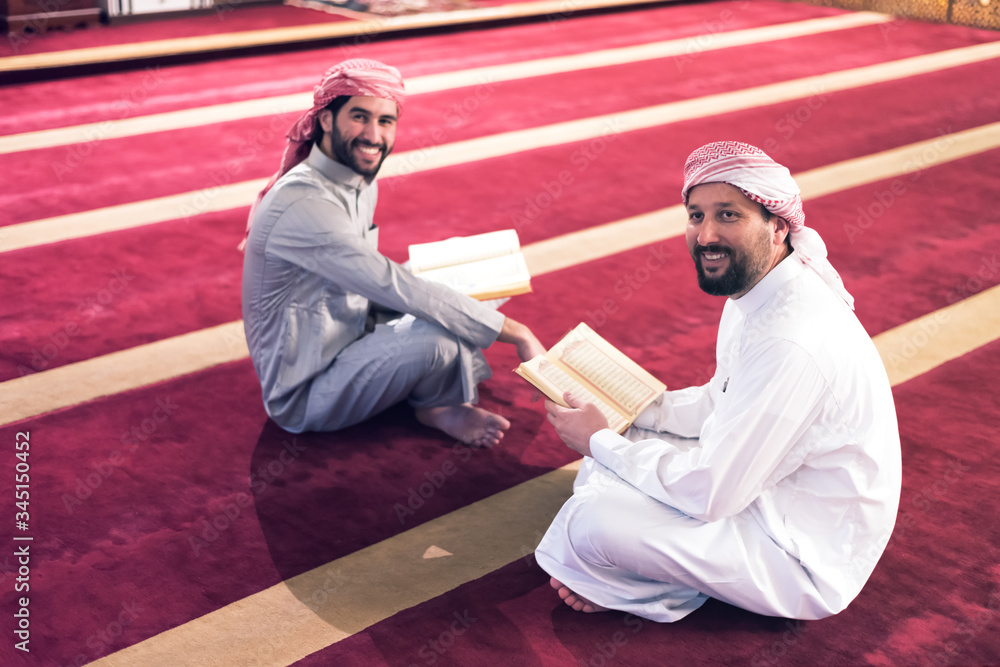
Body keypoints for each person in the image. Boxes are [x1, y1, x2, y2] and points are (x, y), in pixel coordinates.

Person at [536, 141, 901, 622]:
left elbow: (713, 494)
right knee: (622, 444)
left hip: (798, 552)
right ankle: (630, 576)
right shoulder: (759, 292)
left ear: (777, 226)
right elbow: (720, 401)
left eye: (728, 216)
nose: (705, 234)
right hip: (762, 485)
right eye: (695, 216)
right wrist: (633, 407)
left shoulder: (791, 339)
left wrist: (598, 440)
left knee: (594, 523)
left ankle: (649, 587)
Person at [241, 59, 544, 445]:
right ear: (326, 120)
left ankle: (422, 383)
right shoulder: (303, 203)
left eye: (385, 121)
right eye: (360, 117)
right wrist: (519, 334)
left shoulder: (358, 178)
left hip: (354, 321)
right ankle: (437, 405)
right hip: (307, 389)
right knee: (440, 334)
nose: (373, 134)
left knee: (478, 268)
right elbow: (392, 284)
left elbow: (378, 282)